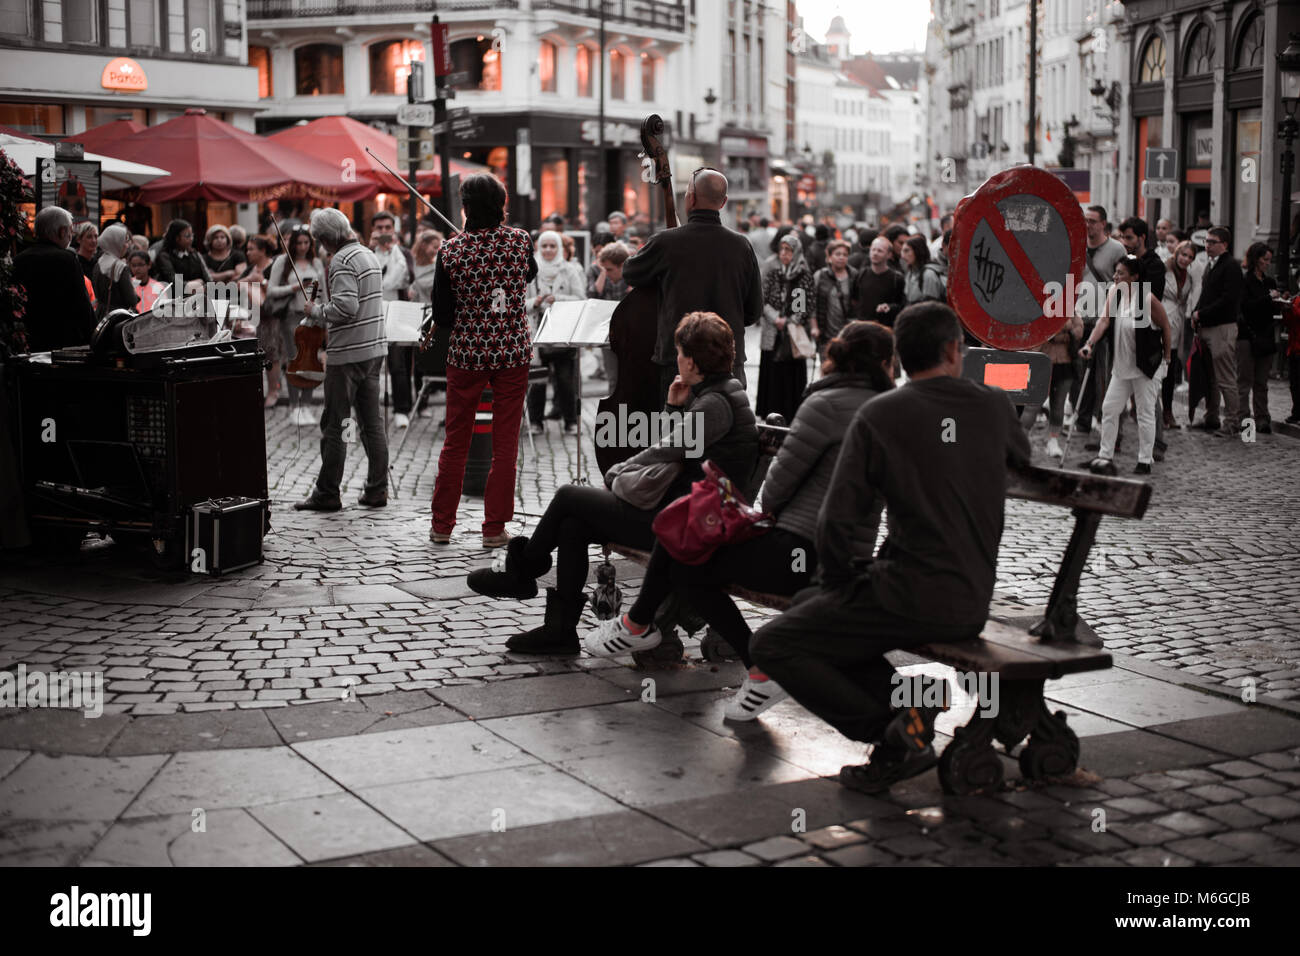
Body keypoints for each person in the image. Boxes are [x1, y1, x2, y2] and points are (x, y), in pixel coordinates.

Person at [749, 302, 1031, 793]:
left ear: (899, 356)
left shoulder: (881, 413)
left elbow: (838, 521)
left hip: (905, 591)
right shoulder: (994, 405)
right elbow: (1019, 456)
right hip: (970, 596)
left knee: (773, 642)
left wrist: (841, 584)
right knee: (811, 611)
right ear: (952, 350)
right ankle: (906, 716)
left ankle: (891, 734)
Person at [584, 321, 896, 721]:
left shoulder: (825, 403)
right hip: (846, 557)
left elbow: (778, 487)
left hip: (801, 550)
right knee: (683, 543)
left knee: (682, 543)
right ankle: (650, 629)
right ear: (886, 364)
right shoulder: (890, 413)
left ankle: (659, 632)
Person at [466, 311, 758, 655]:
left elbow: (666, 449)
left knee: (568, 496)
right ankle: (559, 630)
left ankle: (523, 570)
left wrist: (618, 470)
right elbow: (681, 447)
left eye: (679, 352)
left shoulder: (714, 404)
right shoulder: (720, 393)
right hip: (680, 511)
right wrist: (674, 406)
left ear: (692, 362)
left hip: (680, 524)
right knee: (573, 524)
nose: (675, 359)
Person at [428, 173, 537, 547]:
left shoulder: (451, 251)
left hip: (467, 354)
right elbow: (529, 275)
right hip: (511, 351)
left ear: (466, 207)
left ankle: (442, 525)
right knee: (505, 443)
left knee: (456, 439)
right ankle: (493, 529)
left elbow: (442, 316)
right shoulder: (521, 241)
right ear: (501, 205)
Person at [622, 168, 763, 399]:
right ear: (724, 202)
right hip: (729, 360)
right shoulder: (741, 246)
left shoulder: (665, 242)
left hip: (679, 361)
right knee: (727, 430)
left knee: (681, 432)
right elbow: (753, 311)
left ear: (691, 198)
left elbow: (630, 272)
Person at [294, 208, 389, 511]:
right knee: (371, 425)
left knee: (336, 424)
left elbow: (347, 307)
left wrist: (316, 311)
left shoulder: (341, 260)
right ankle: (377, 491)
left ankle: (327, 493)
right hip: (373, 350)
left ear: (324, 238)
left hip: (347, 354)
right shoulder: (367, 254)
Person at [1082, 255, 1172, 475]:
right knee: (1110, 409)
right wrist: (1090, 343)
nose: (1115, 277)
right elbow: (1104, 320)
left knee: (1145, 412)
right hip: (1122, 365)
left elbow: (1166, 328)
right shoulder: (1115, 293)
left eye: (1120, 273)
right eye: (1115, 272)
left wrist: (1167, 359)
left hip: (1145, 366)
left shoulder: (1147, 299)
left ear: (1135, 277)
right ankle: (1105, 456)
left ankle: (1145, 460)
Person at [1074, 205, 1126, 444]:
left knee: (1104, 375)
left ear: (1103, 224)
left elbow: (1125, 281)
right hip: (1080, 318)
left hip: (1106, 320)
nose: (1088, 225)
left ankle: (1110, 426)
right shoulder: (1076, 245)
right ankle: (1082, 420)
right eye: (1085, 221)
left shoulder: (1116, 249)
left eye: (1093, 221)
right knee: (1078, 372)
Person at [526, 229, 586, 435]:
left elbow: (580, 298)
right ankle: (535, 422)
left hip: (562, 332)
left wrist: (557, 299)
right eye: (544, 246)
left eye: (553, 246)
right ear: (538, 247)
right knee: (536, 381)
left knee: (565, 380)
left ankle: (570, 421)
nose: (549, 250)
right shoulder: (530, 269)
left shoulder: (569, 269)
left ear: (559, 248)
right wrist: (536, 301)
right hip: (537, 332)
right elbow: (518, 302)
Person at [12, 207, 96, 353]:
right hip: (62, 342)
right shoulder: (67, 259)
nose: (71, 236)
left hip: (29, 340)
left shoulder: (19, 259)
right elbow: (82, 305)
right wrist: (93, 338)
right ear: (62, 231)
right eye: (70, 231)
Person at [266, 226, 325, 422]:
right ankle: (294, 406)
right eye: (299, 243)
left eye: (306, 243)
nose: (302, 247)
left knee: (311, 360)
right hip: (291, 315)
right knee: (294, 359)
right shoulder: (282, 262)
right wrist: (294, 288)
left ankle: (306, 406)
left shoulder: (316, 262)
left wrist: (320, 308)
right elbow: (271, 290)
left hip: (312, 316)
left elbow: (324, 291)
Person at [1191, 227, 1244, 435]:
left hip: (1222, 328)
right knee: (1210, 377)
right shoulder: (1211, 265)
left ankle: (1232, 422)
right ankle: (1211, 417)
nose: (1207, 245)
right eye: (1206, 241)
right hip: (1207, 326)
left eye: (1212, 242)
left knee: (1225, 378)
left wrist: (1201, 314)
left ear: (1224, 244)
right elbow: (1206, 295)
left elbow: (1228, 300)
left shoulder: (1230, 266)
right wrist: (1196, 314)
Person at [758, 232, 814, 423]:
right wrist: (775, 318)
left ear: (796, 252)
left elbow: (802, 308)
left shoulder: (802, 276)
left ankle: (790, 413)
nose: (784, 253)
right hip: (772, 333)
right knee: (772, 374)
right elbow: (763, 301)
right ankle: (771, 412)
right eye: (782, 249)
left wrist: (788, 322)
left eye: (788, 250)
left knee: (791, 375)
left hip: (792, 336)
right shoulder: (773, 274)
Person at [1020, 312, 1082, 459]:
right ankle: (1021, 441)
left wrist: (1061, 332)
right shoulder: (1039, 305)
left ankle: (1053, 441)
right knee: (1032, 405)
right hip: (1041, 360)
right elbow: (1040, 330)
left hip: (1065, 362)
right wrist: (1062, 331)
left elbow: (1079, 329)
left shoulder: (1068, 306)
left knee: (1058, 405)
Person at [1237, 242, 1281, 434]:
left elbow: (1270, 309)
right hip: (1248, 335)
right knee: (1245, 380)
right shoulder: (1245, 282)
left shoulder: (1270, 282)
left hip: (1266, 335)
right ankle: (1245, 421)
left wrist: (1280, 302)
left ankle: (1262, 418)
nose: (1267, 264)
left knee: (1262, 382)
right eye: (1265, 259)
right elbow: (1246, 307)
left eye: (1270, 260)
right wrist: (1267, 299)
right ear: (1256, 259)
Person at [1160, 240, 1199, 429]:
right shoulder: (1164, 269)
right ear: (1177, 253)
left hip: (1176, 329)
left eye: (1190, 257)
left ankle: (1167, 412)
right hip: (1159, 323)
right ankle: (1145, 410)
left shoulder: (1189, 277)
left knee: (1169, 372)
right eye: (1184, 254)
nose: (1186, 259)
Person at [811, 238, 859, 361]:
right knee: (827, 368)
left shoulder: (854, 275)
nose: (841, 257)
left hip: (848, 334)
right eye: (837, 254)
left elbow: (858, 303)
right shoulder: (820, 276)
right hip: (825, 333)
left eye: (845, 255)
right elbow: (811, 304)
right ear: (829, 257)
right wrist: (814, 326)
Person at [90, 223, 140, 320]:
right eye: (124, 241)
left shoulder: (99, 262)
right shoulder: (120, 267)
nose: (127, 245)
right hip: (117, 318)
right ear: (116, 242)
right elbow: (131, 300)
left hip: (100, 315)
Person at [853, 236, 906, 324]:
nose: (875, 253)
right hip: (863, 326)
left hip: (885, 328)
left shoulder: (897, 279)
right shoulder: (861, 275)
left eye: (880, 251)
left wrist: (890, 307)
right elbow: (854, 301)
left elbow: (902, 304)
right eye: (873, 250)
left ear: (889, 254)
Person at [152, 219, 210, 293]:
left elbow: (208, 280)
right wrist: (197, 283)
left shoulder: (195, 254)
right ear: (176, 238)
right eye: (187, 236)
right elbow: (174, 283)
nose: (191, 239)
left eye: (192, 235)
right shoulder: (164, 256)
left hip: (197, 297)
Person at [901, 235, 946, 305]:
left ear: (917, 250)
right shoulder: (910, 273)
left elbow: (931, 306)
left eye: (907, 251)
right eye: (902, 251)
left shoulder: (929, 274)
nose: (903, 256)